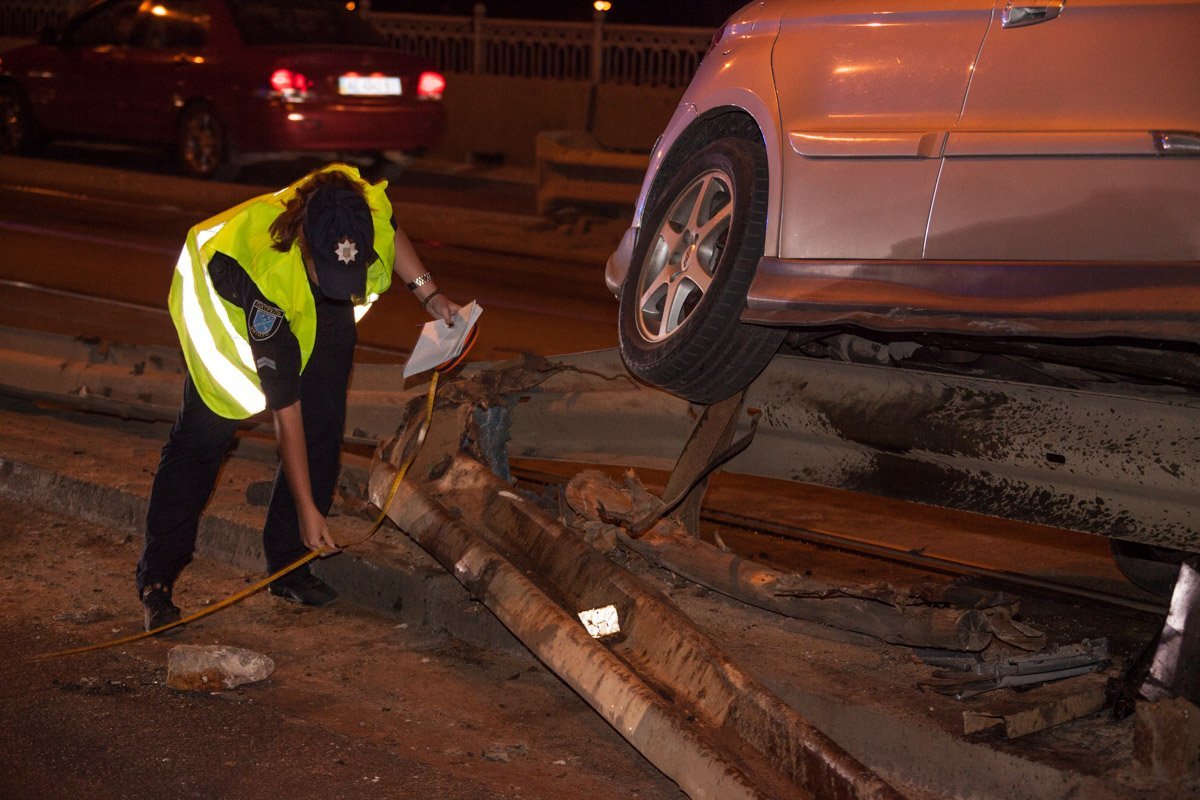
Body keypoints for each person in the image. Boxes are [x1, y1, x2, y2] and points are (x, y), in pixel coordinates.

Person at [137, 163, 459, 632]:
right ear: (307, 245)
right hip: (229, 309)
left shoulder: (355, 206)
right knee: (201, 444)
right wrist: (310, 508)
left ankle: (289, 565)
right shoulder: (265, 284)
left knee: (324, 424)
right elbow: (286, 418)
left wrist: (431, 297)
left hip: (312, 303)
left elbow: (391, 228)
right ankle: (157, 579)